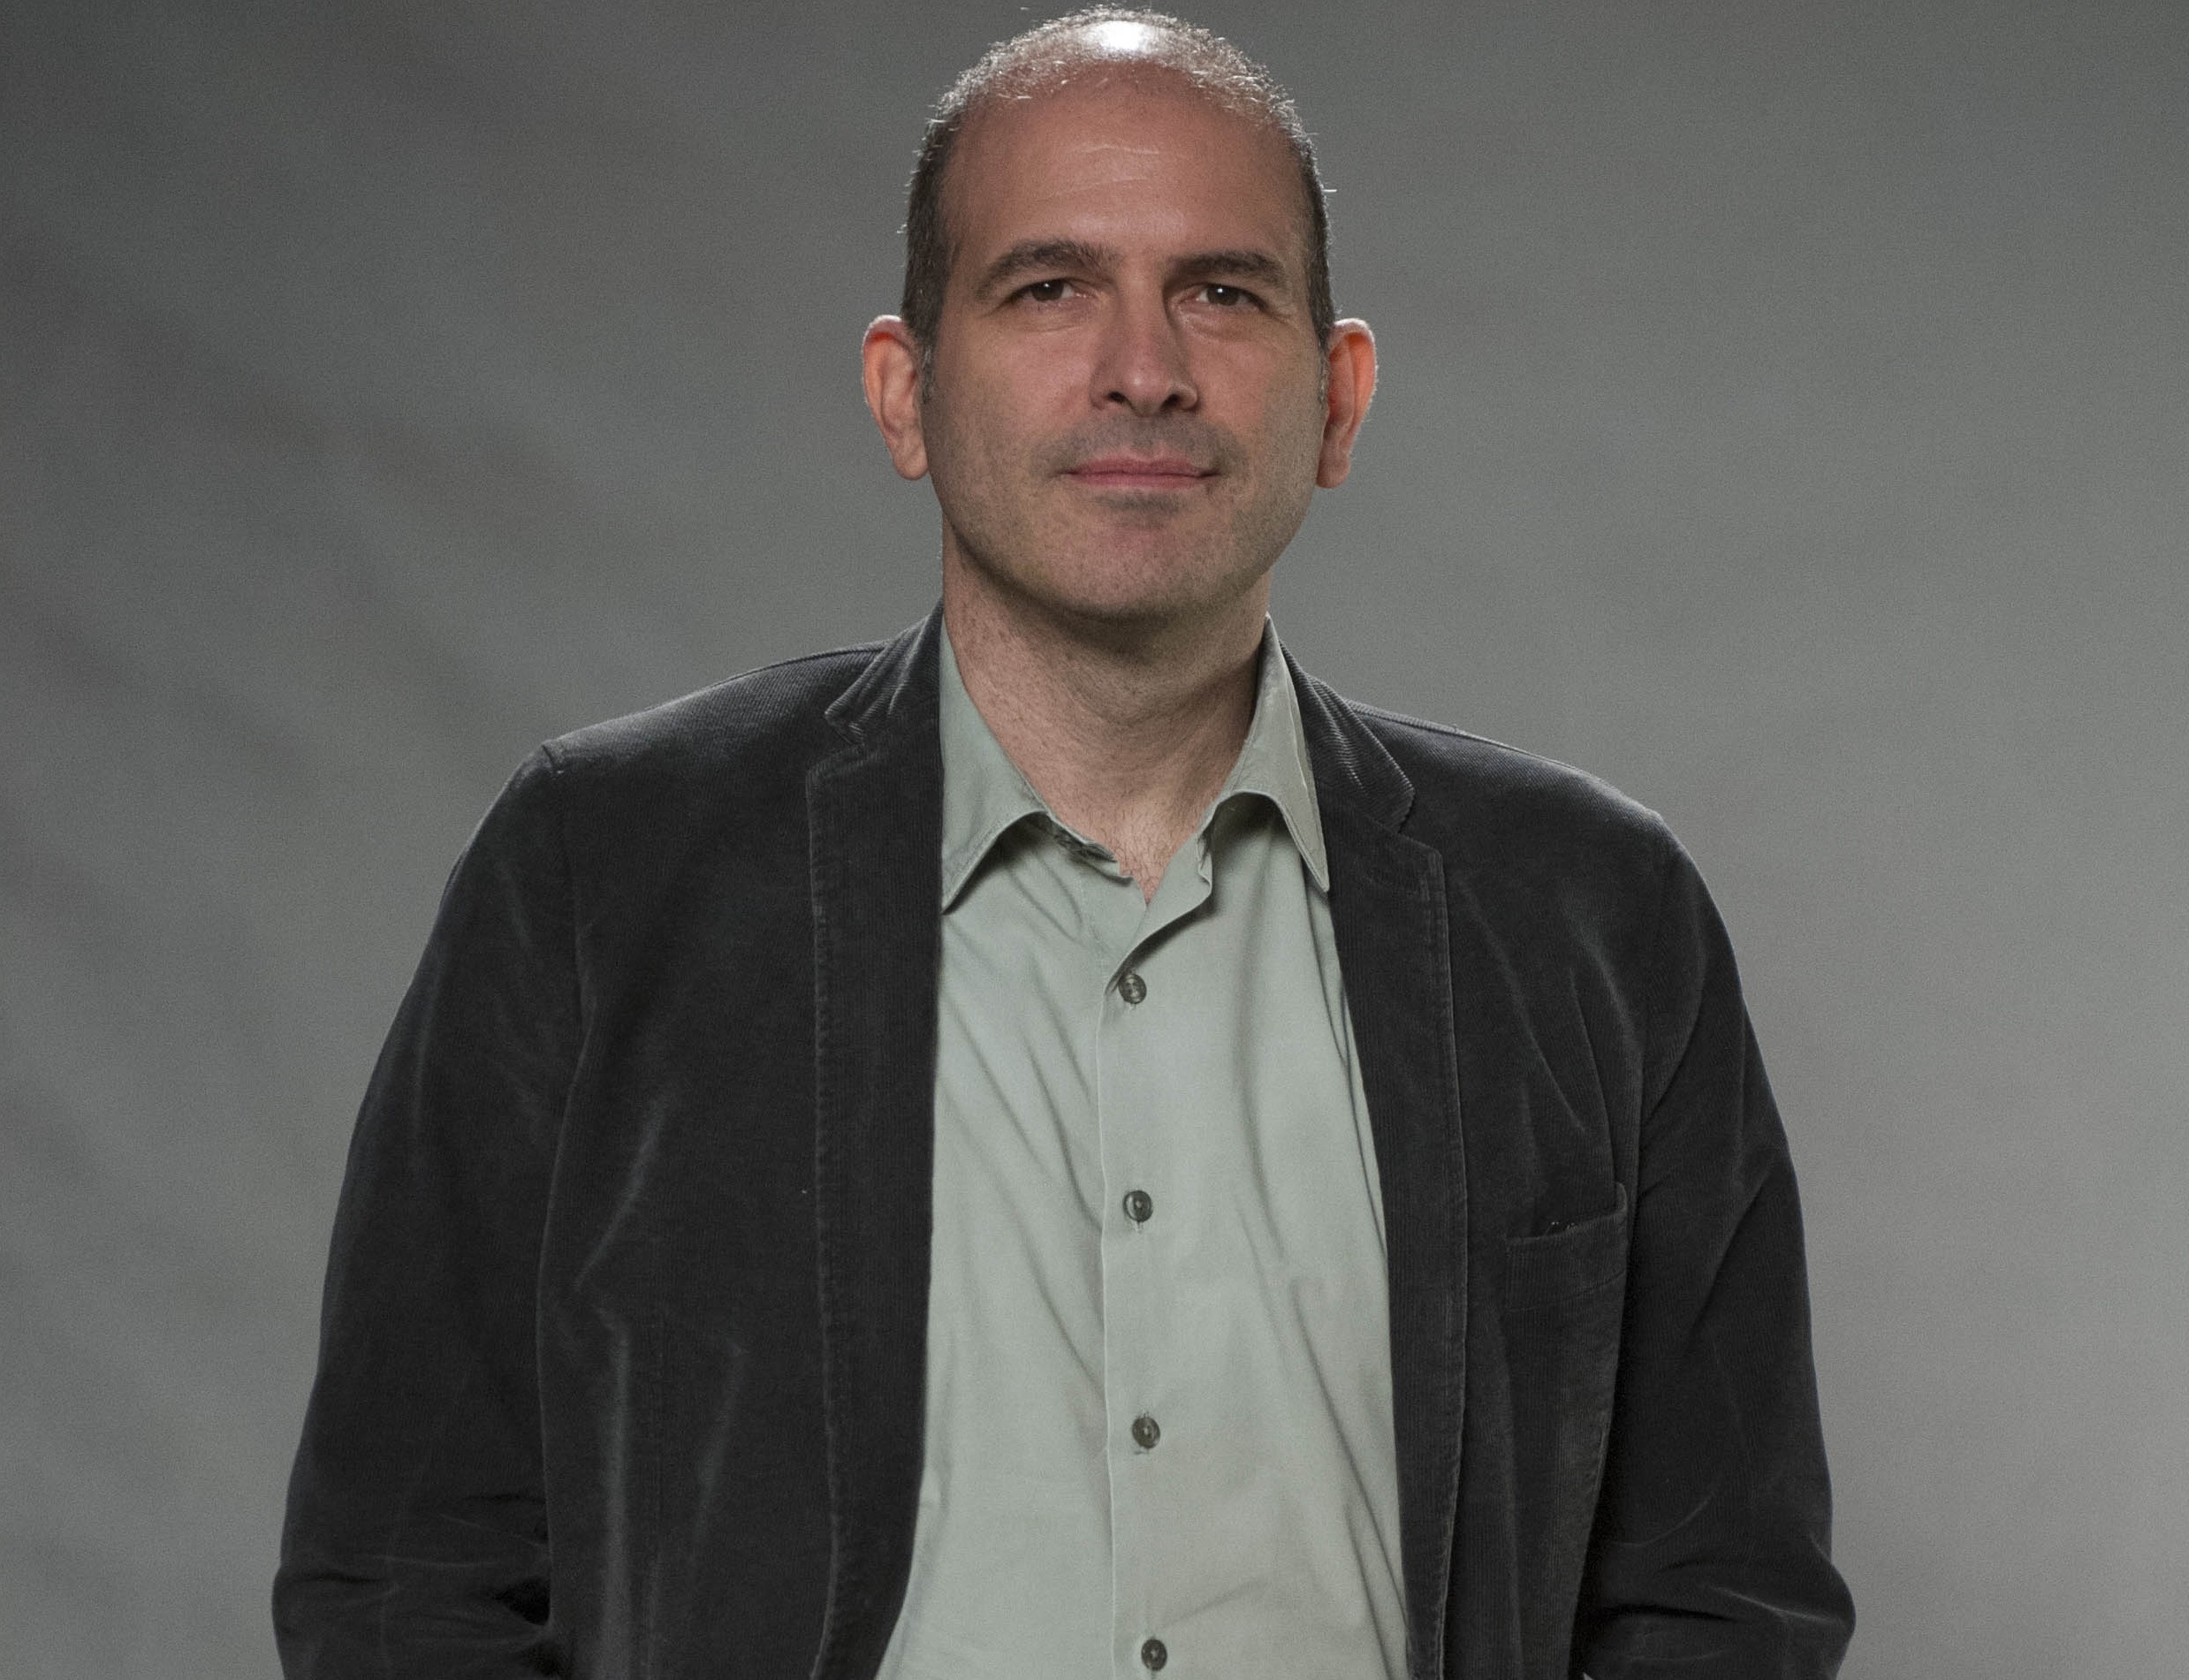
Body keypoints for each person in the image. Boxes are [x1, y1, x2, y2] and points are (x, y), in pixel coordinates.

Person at [274, 10, 1854, 1678]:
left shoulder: (1592, 920)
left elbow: (1723, 1597)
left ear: (1338, 398)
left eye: (1221, 291)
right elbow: (402, 1576)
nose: (1142, 367)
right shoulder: (602, 878)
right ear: (905, 391)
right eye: (1048, 287)